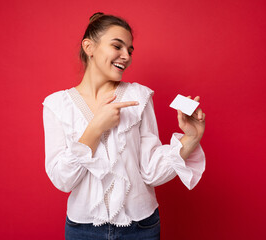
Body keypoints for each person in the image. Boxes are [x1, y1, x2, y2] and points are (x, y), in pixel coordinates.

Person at [42, 12, 206, 240]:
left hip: (141, 228)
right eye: (117, 46)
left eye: (129, 50)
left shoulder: (139, 96)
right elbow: (63, 180)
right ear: (89, 47)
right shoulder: (56, 105)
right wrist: (96, 128)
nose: (126, 56)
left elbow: (151, 173)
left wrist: (191, 138)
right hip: (83, 230)